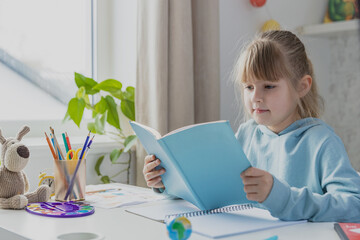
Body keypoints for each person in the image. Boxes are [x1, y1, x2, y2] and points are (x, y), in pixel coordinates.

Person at [142, 30, 360, 222]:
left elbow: (353, 205)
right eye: (248, 86)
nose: (256, 97)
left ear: (302, 86)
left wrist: (282, 197)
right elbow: (211, 190)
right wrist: (165, 181)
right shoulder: (246, 134)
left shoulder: (321, 141)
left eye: (269, 86)